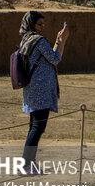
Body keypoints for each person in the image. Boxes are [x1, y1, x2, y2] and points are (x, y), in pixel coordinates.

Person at [19, 11, 70, 174]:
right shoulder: (38, 40)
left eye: (43, 24)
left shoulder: (26, 40)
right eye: (39, 24)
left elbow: (50, 56)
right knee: (38, 127)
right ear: (32, 24)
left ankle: (28, 163)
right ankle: (27, 165)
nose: (42, 27)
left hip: (32, 89)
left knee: (34, 127)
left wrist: (58, 41)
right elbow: (55, 59)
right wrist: (64, 41)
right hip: (41, 91)